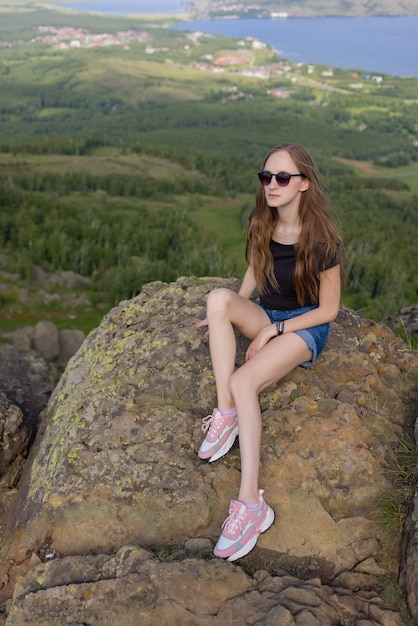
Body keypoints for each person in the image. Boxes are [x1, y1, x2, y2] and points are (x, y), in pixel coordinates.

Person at [196, 142, 342, 562]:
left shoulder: (323, 239)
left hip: (305, 326)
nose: (271, 186)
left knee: (245, 381)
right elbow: (254, 267)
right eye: (266, 177)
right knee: (217, 299)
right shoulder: (263, 221)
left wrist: (275, 330)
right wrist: (233, 309)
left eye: (282, 178)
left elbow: (328, 310)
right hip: (269, 313)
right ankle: (226, 416)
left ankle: (250, 505)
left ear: (304, 185)